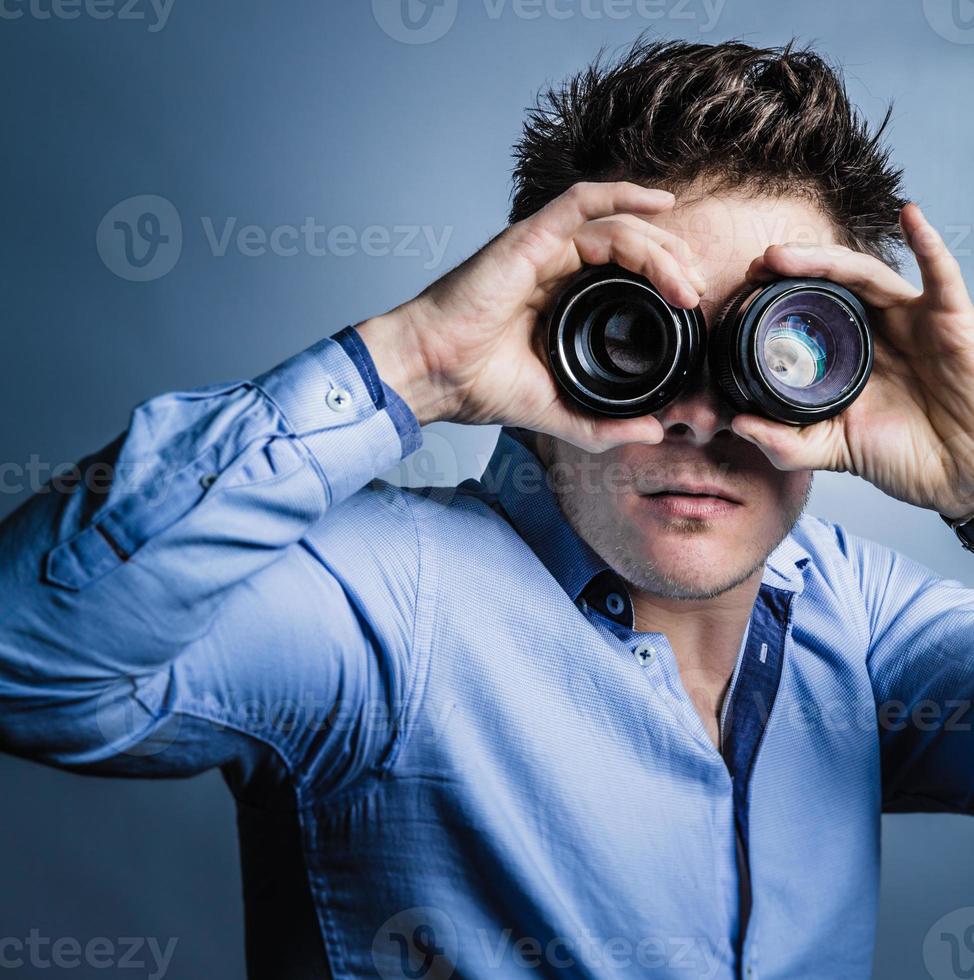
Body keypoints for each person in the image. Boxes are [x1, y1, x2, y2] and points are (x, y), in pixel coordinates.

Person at [2, 36, 973, 980]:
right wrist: (414, 359)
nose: (698, 413)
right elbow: (30, 666)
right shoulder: (385, 606)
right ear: (548, 320)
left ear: (847, 369)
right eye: (640, 335)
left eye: (778, 353)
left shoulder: (859, 618)